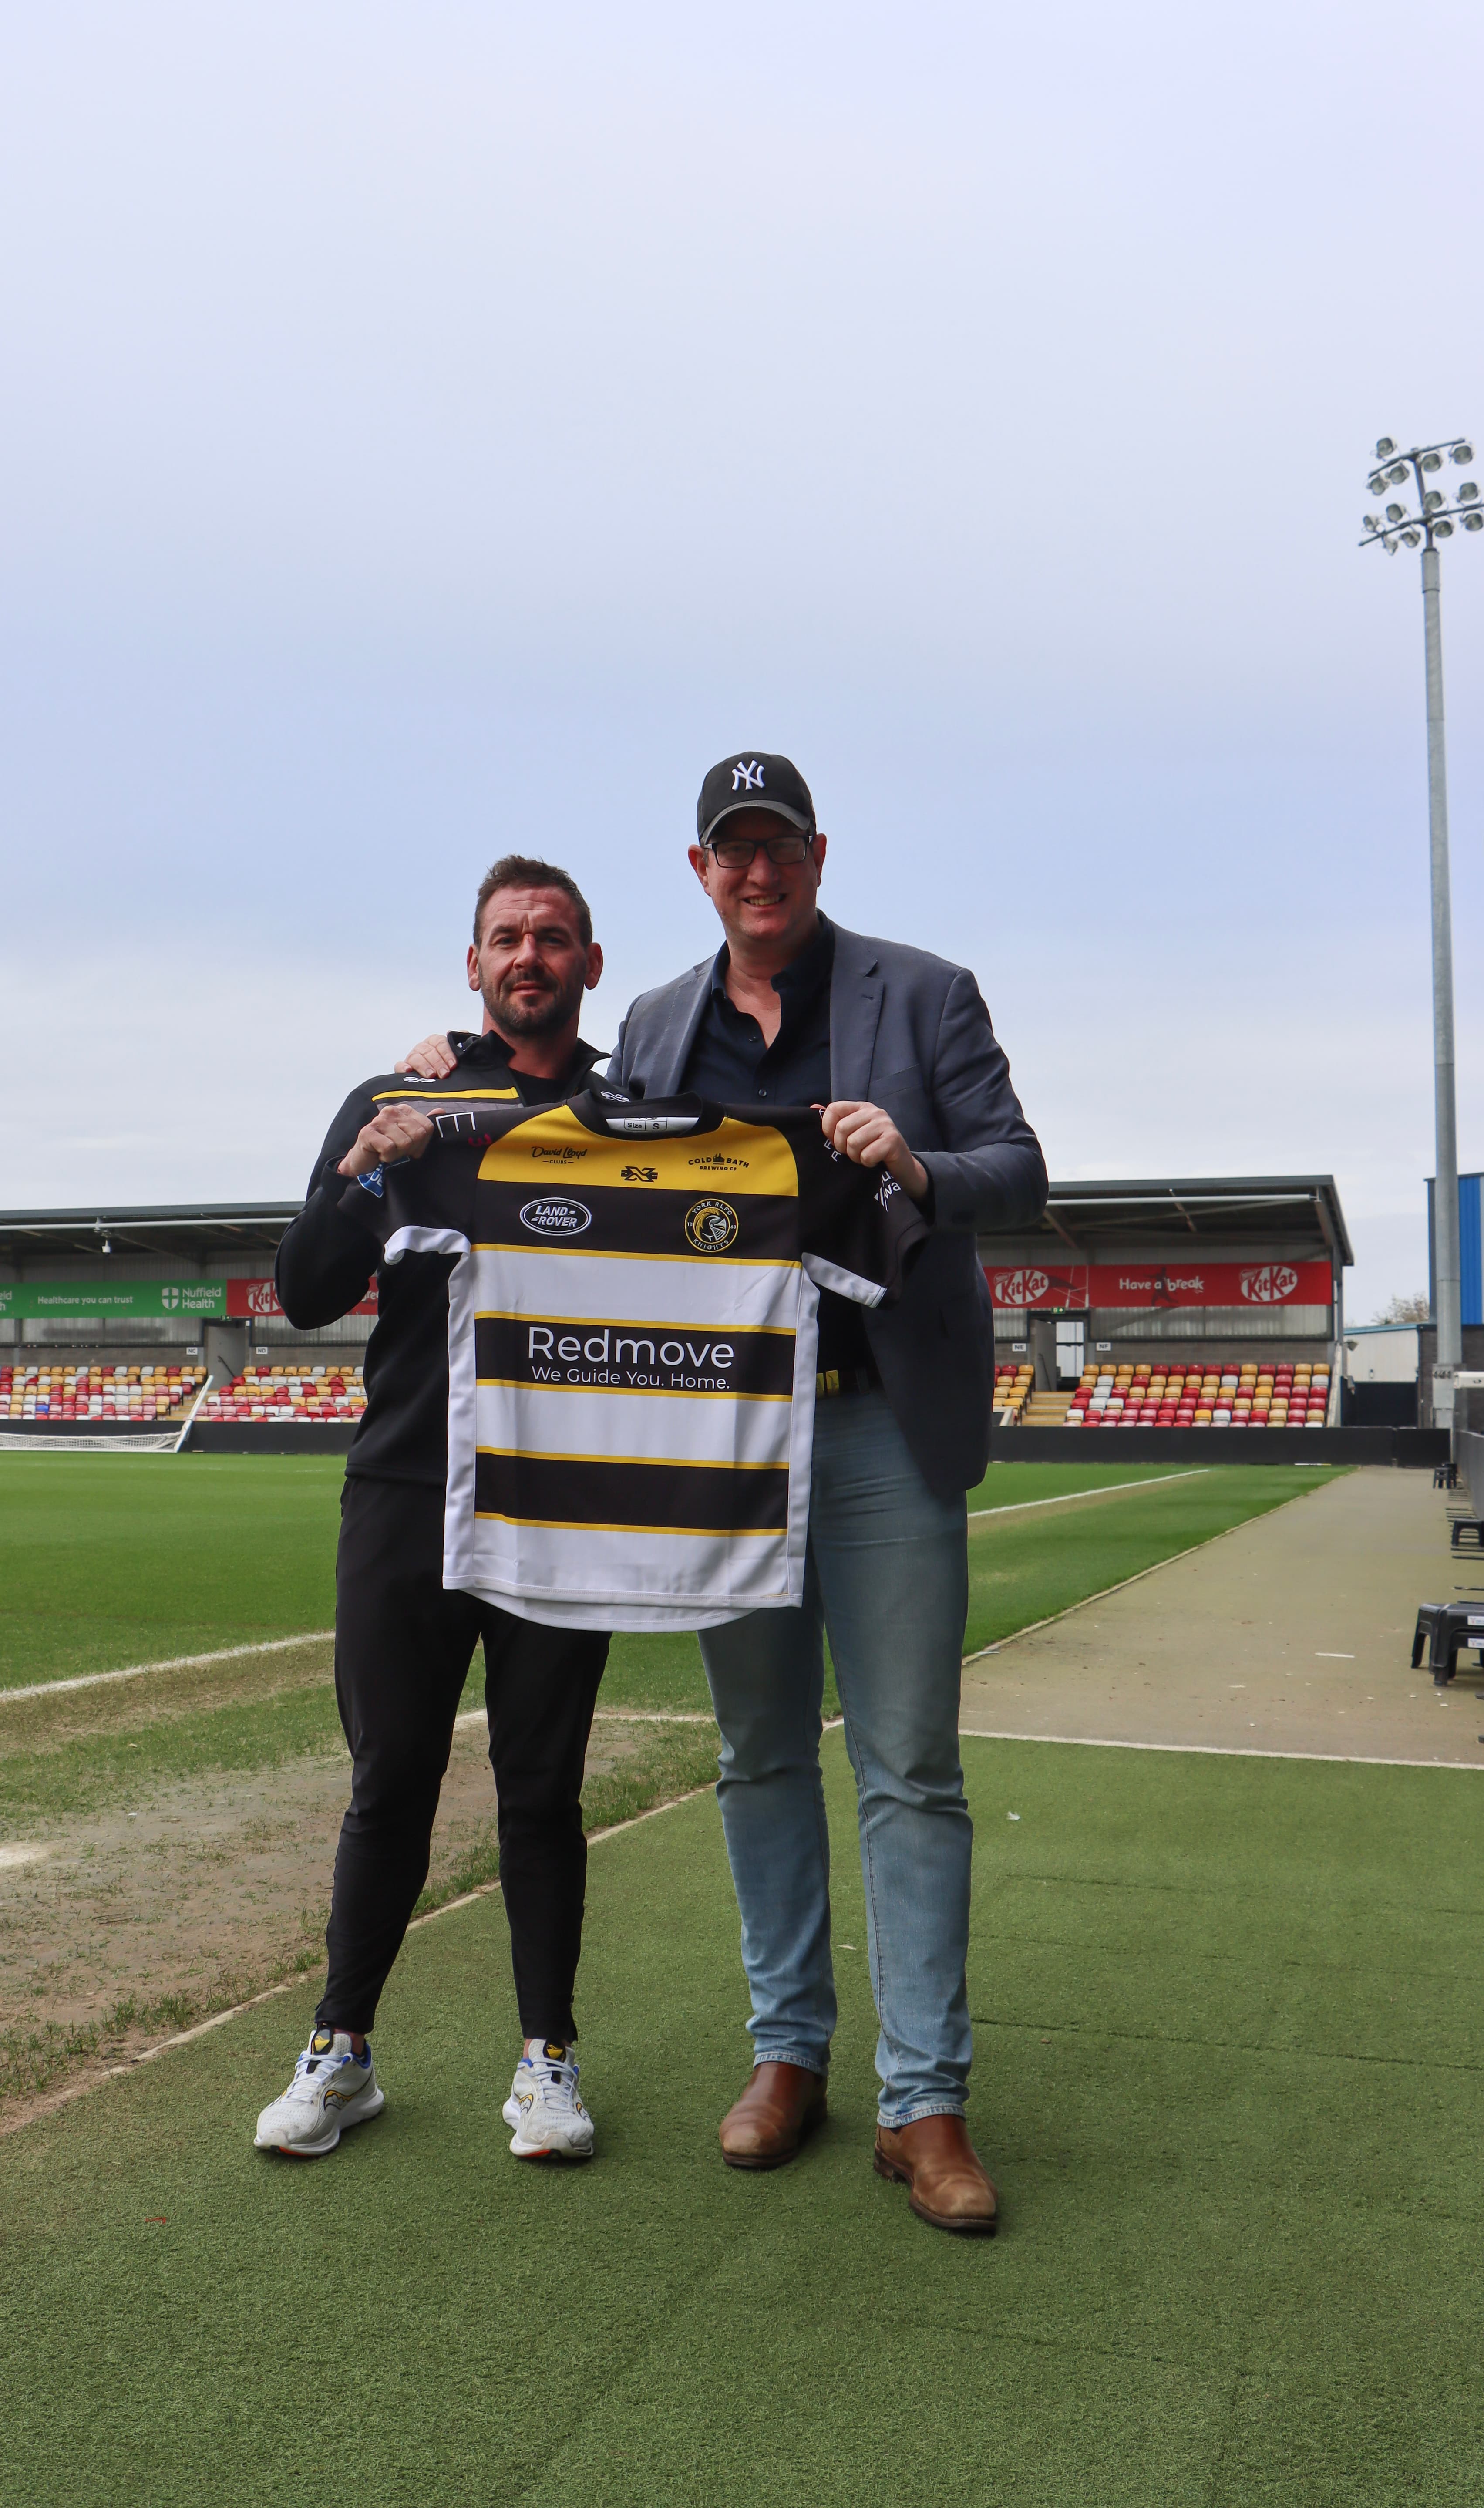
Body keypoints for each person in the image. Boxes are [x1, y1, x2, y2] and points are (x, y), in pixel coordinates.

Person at [397, 753, 1047, 2234]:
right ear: (700, 871)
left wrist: (924, 1165)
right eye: (729, 851)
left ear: (816, 855)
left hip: (880, 1430)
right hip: (726, 1451)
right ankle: (788, 2055)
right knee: (758, 1758)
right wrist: (443, 1075)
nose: (756, 873)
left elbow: (1023, 1165)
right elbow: (577, 1165)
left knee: (909, 1770)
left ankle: (924, 2101)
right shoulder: (652, 1022)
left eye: (777, 847)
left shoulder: (927, 993)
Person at [254, 857, 612, 2167]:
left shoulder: (630, 1108)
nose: (530, 955)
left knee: (541, 1791)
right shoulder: (397, 1096)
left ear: (589, 962)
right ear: (474, 966)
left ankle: (549, 2064)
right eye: (507, 938)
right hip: (406, 1487)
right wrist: (365, 1164)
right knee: (390, 1777)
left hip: (563, 1501)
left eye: (554, 937)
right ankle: (341, 2052)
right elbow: (299, 1289)